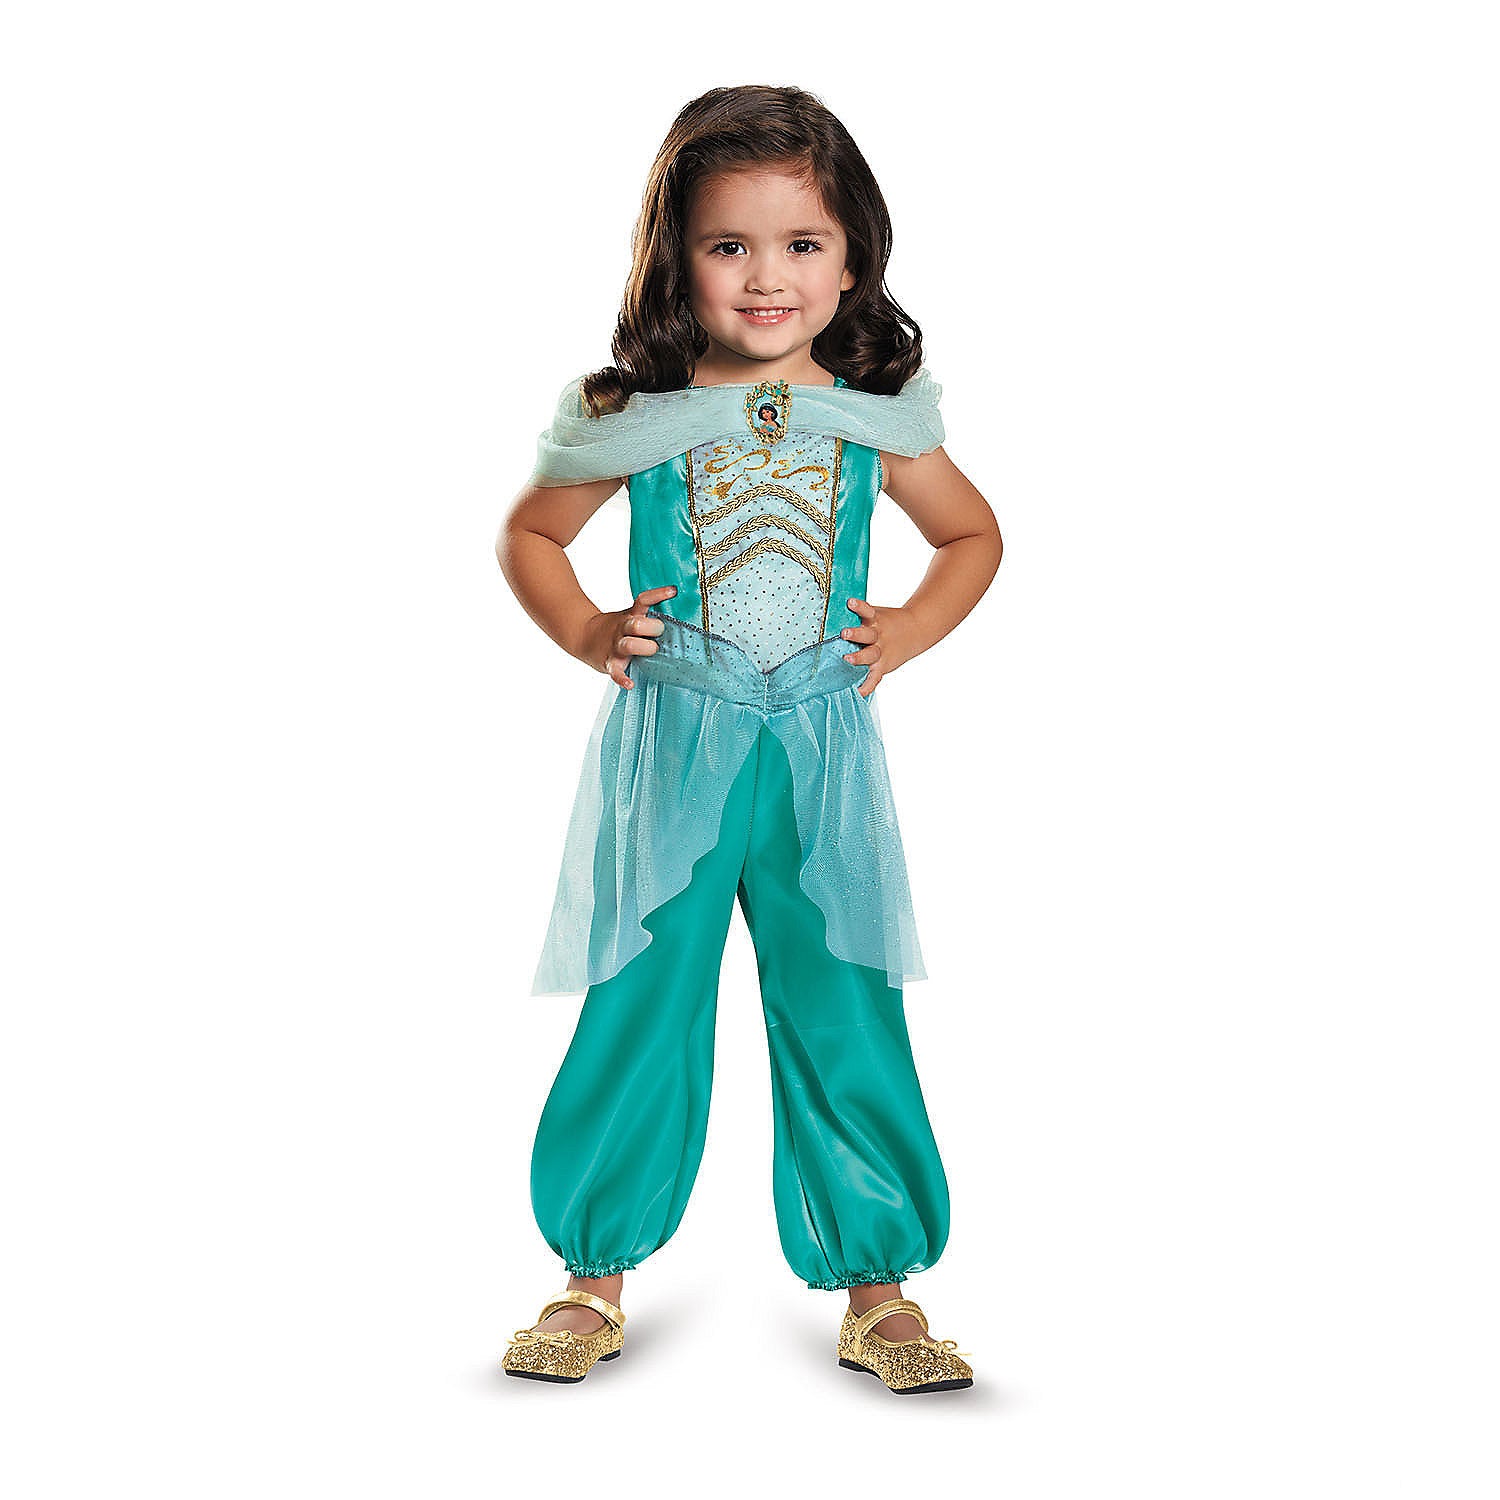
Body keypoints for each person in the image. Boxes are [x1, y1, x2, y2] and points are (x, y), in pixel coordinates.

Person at [495, 85, 1003, 1394]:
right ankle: (591, 1273)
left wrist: (906, 630)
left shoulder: (873, 407)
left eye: (801, 244)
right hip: (674, 752)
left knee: (841, 994)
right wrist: (588, 629)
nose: (767, 277)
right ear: (678, 258)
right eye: (730, 245)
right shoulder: (636, 407)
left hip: (822, 758)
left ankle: (879, 1283)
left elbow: (973, 534)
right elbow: (533, 532)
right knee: (641, 993)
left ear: (854, 257)